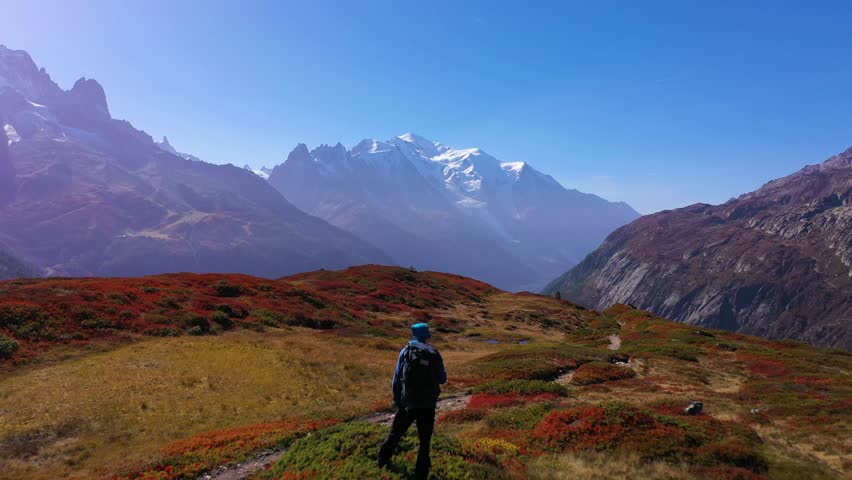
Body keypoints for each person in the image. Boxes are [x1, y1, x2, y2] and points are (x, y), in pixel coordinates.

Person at [377, 322, 447, 479]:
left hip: (407, 403)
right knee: (424, 440)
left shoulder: (406, 351)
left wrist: (397, 400)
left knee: (395, 434)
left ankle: (381, 462)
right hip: (428, 405)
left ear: (413, 334)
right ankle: (421, 474)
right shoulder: (434, 353)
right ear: (426, 335)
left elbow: (396, 379)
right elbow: (443, 379)